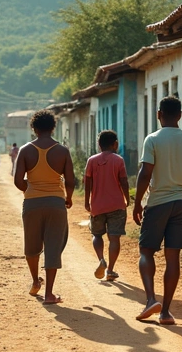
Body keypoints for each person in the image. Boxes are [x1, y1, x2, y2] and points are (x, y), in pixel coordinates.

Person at [133, 96, 182, 325]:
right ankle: (166, 312)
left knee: (146, 251)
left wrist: (137, 202)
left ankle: (151, 299)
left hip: (158, 202)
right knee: (173, 257)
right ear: (180, 115)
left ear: (158, 114)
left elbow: (145, 173)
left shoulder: (152, 140)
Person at [13, 110, 75, 305]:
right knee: (53, 246)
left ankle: (34, 281)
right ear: (53, 127)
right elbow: (71, 180)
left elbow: (17, 180)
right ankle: (49, 294)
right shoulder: (63, 151)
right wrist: (68, 198)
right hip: (56, 203)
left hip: (32, 203)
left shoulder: (25, 150)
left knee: (32, 246)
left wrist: (29, 189)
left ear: (34, 128)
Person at [84, 130, 131, 282]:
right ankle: (110, 269)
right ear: (115, 144)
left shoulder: (91, 160)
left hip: (97, 205)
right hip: (117, 205)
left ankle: (101, 260)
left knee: (96, 235)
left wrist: (87, 201)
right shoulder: (118, 160)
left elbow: (88, 183)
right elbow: (124, 180)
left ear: (99, 145)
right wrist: (127, 198)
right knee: (114, 238)